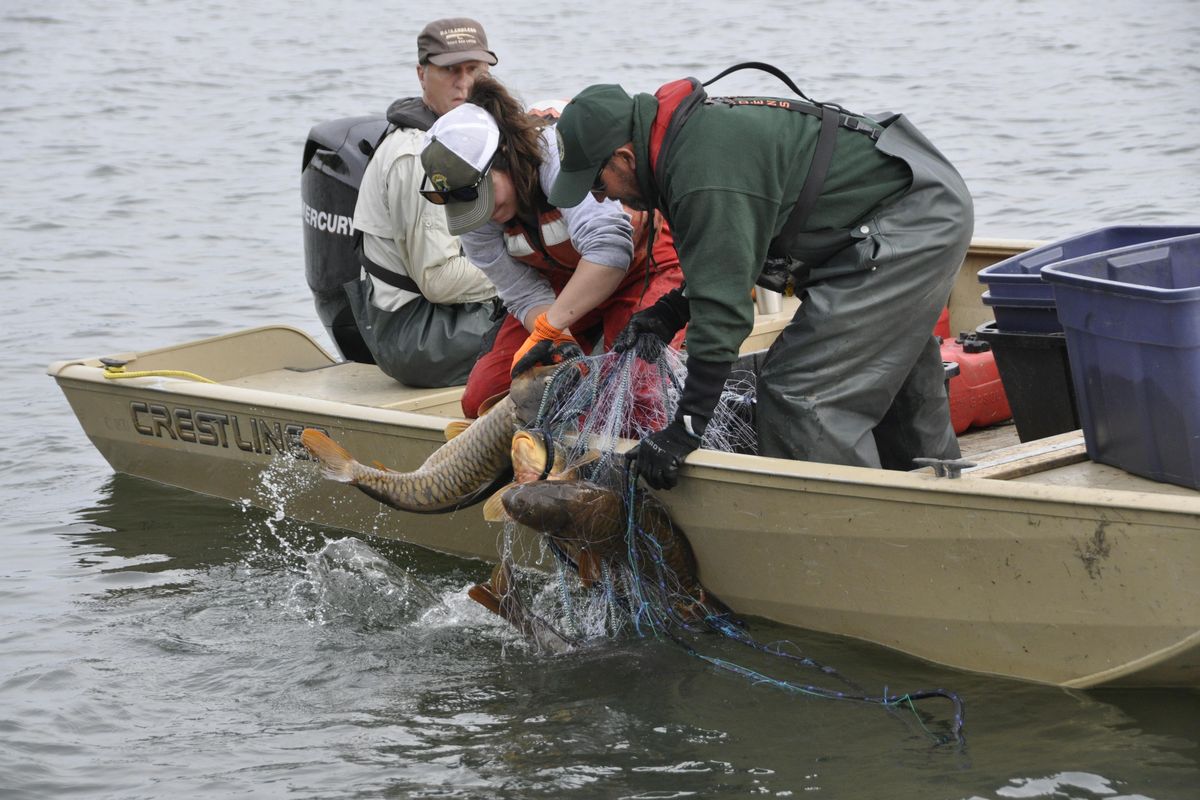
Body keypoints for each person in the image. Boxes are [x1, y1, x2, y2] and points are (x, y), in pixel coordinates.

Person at [547, 68, 975, 489]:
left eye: (597, 184)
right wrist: (671, 310)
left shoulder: (700, 171)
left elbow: (724, 314)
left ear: (624, 157)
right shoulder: (687, 144)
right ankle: (939, 494)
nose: (602, 198)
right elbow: (728, 259)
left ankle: (846, 531)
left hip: (913, 222)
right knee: (892, 367)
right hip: (909, 206)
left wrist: (687, 428)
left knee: (802, 393)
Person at [418, 75, 686, 417]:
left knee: (634, 396)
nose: (479, 212)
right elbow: (521, 291)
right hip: (566, 292)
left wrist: (551, 326)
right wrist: (559, 344)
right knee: (486, 400)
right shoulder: (470, 206)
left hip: (642, 269)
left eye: (478, 195)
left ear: (504, 155)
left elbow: (610, 249)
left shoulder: (554, 155)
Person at [347, 17, 501, 388]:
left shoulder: (465, 136)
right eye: (450, 70)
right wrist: (525, 273)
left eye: (474, 70)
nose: (464, 83)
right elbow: (439, 280)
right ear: (422, 74)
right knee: (564, 318)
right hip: (416, 334)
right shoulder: (421, 157)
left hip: (438, 317)